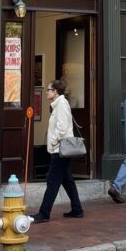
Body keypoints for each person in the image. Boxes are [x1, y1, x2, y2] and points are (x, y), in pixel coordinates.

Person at [32, 79, 84, 223]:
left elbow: (61, 128)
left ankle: (44, 213)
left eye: (49, 90)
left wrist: (54, 141)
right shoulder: (59, 104)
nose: (47, 92)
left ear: (55, 92)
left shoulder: (61, 104)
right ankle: (77, 209)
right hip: (60, 149)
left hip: (59, 149)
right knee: (67, 180)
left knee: (52, 181)